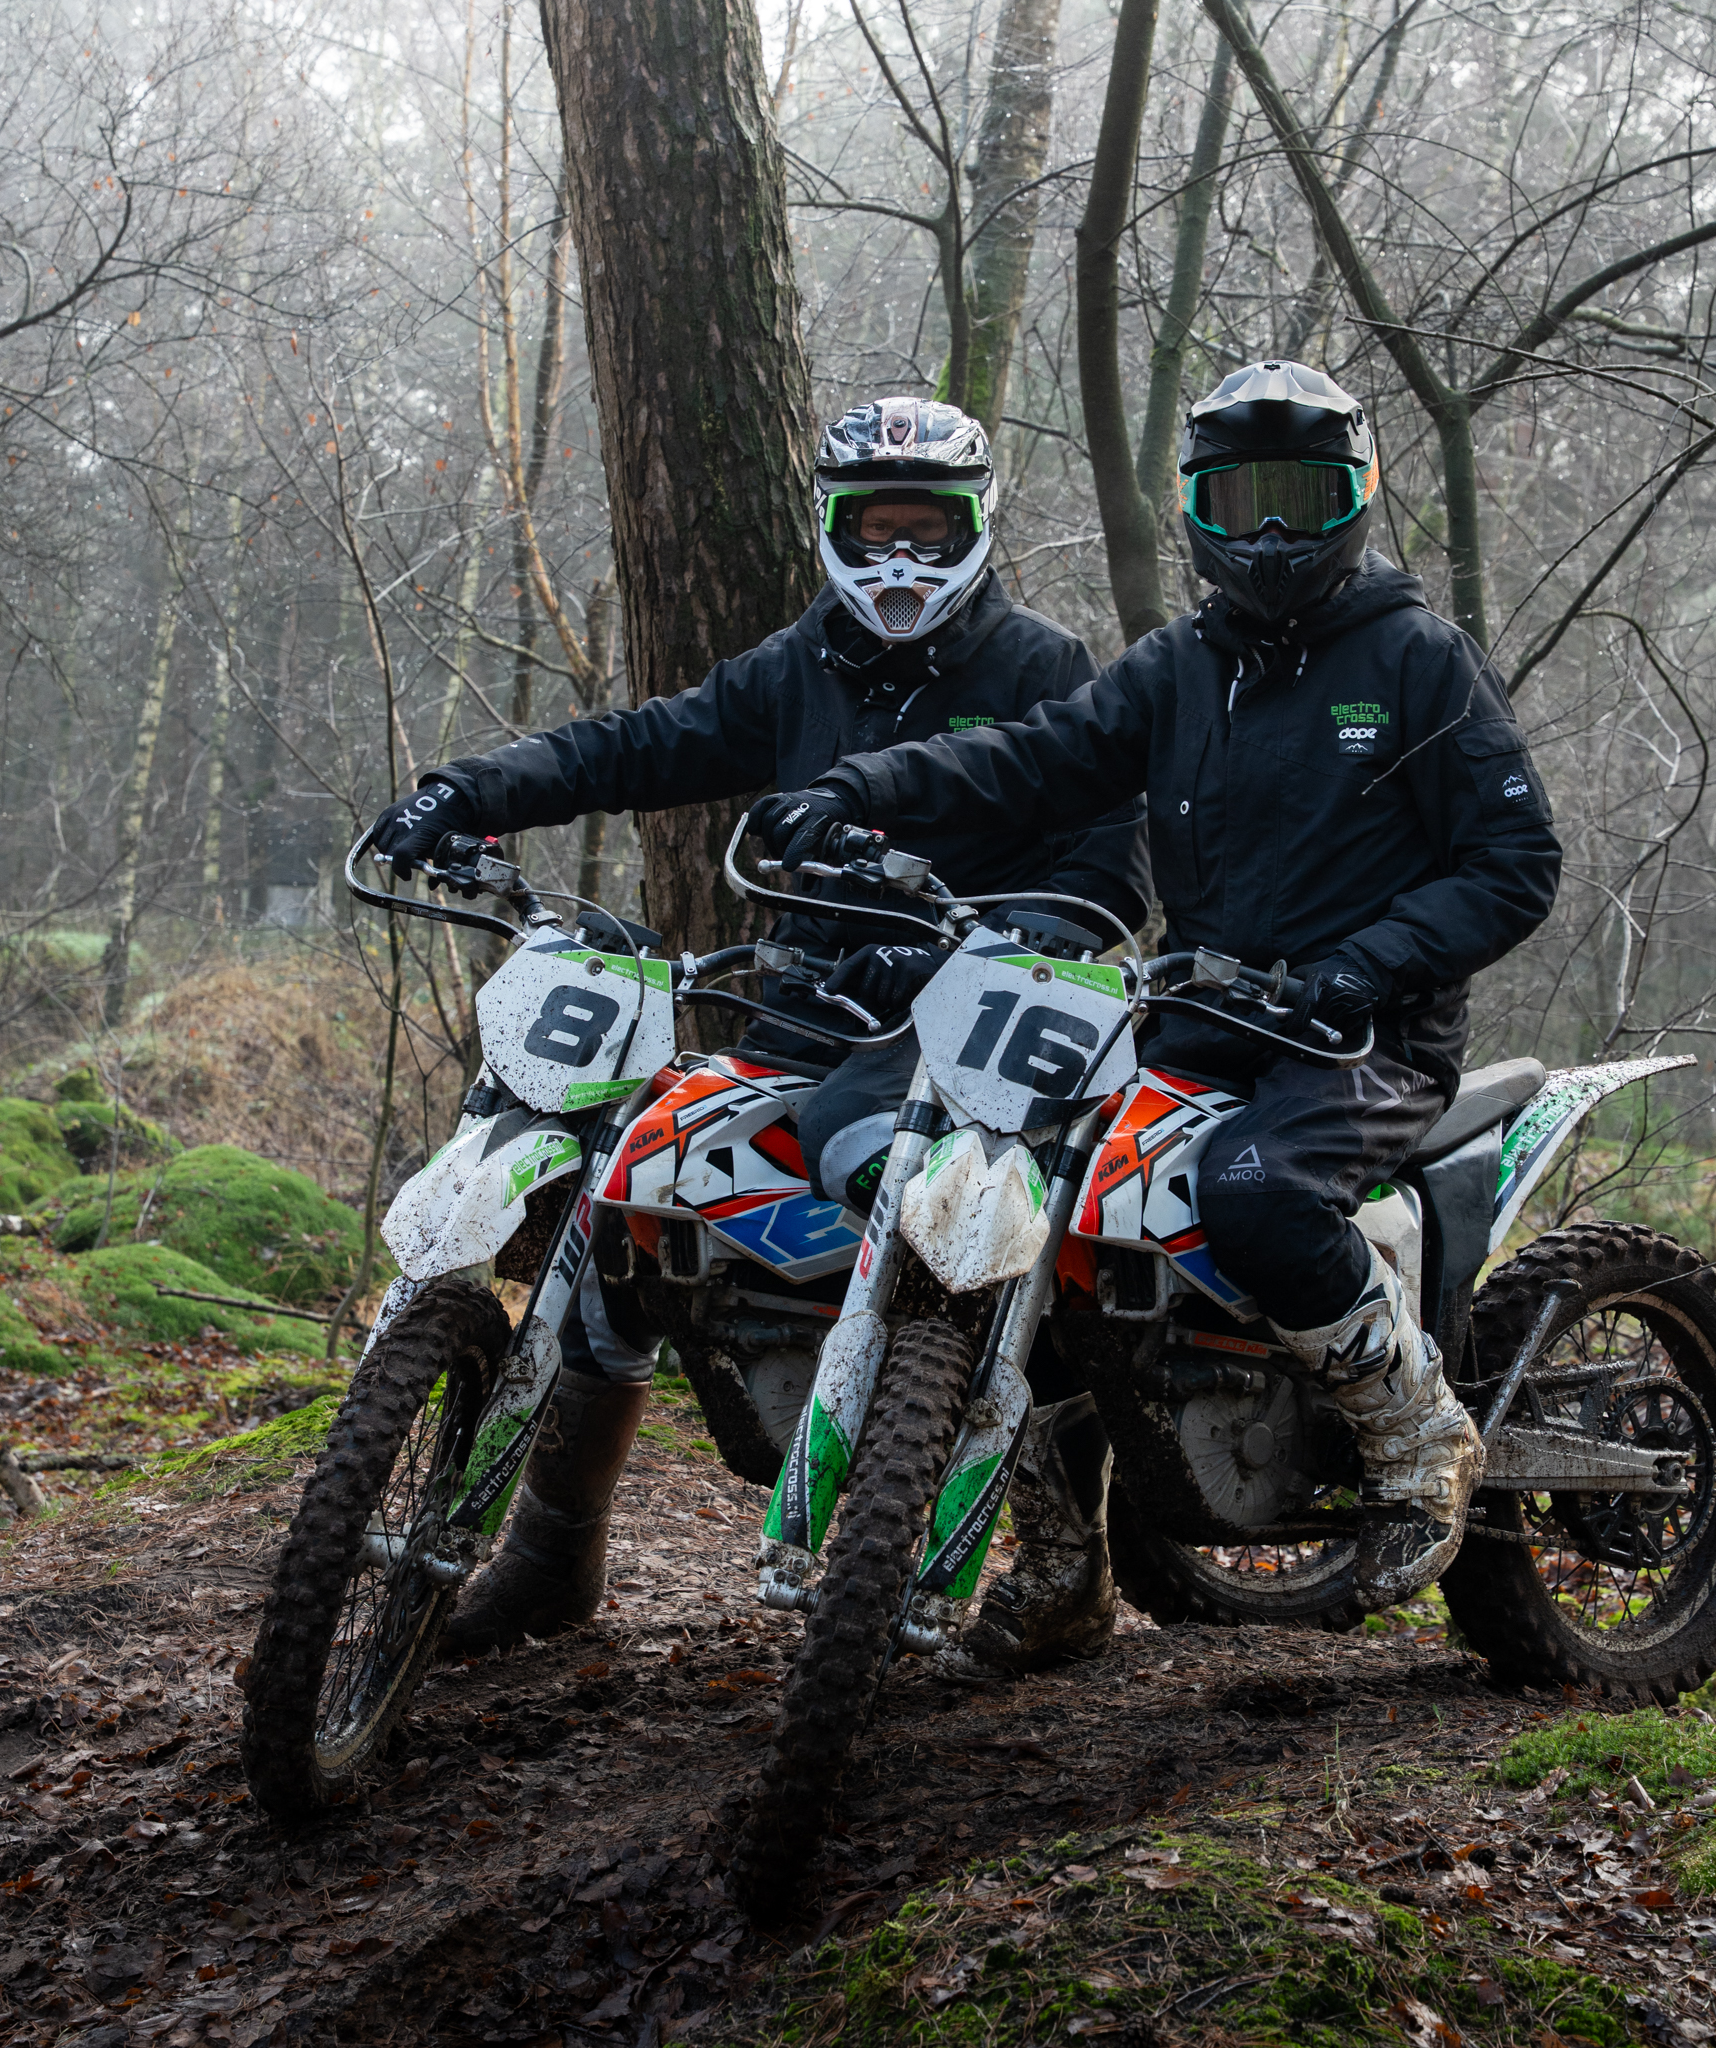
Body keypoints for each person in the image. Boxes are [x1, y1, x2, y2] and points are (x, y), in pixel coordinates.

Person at [753, 361, 1563, 1614]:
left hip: (1365, 1036)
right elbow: (1033, 757)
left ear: (1357, 497)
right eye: (1241, 501)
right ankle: (1064, 1547)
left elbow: (1515, 863)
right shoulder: (1177, 665)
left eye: (1302, 495)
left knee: (1253, 1191)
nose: (1275, 531)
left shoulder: (1414, 659)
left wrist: (1363, 965)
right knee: (1043, 1197)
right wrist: (865, 786)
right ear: (1195, 507)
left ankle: (1416, 1432)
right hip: (1194, 1020)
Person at [368, 396, 1151, 1662]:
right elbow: (643, 741)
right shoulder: (803, 664)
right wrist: (472, 790)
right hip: (803, 1006)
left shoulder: (1047, 671)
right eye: (874, 525)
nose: (899, 557)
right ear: (832, 527)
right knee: (628, 1198)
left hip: (973, 1038)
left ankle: (1067, 1561)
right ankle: (549, 1554)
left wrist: (1020, 939)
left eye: (928, 526)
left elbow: (1116, 852)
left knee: (993, 1244)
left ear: (976, 526)